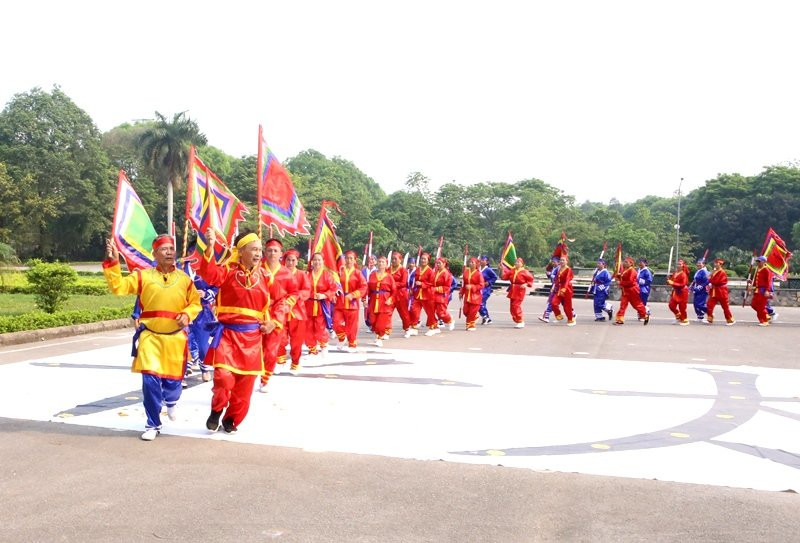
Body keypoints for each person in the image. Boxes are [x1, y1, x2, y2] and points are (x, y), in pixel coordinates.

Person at [103, 235, 201, 441]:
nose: (169, 252)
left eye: (171, 249)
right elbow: (118, 287)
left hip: (175, 339)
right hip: (150, 338)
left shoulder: (184, 279)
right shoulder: (143, 277)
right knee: (150, 380)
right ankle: (152, 423)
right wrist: (113, 261)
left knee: (173, 384)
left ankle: (172, 401)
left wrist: (187, 314)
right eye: (164, 249)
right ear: (154, 254)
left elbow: (195, 303)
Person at [200, 230, 286, 432]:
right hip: (227, 335)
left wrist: (274, 321)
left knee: (245, 386)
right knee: (223, 377)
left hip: (252, 339)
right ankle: (217, 409)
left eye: (259, 249)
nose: (258, 253)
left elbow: (281, 301)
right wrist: (210, 247)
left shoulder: (265, 276)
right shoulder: (227, 271)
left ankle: (232, 419)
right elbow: (209, 273)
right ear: (241, 251)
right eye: (254, 249)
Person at [259, 239, 292, 392]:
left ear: (281, 254)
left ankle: (265, 379)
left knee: (271, 350)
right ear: (265, 252)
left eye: (275, 251)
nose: (272, 253)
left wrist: (284, 307)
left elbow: (294, 293)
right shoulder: (257, 268)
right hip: (257, 314)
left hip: (276, 316)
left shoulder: (286, 273)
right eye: (269, 250)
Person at [276, 249, 311, 373]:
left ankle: (295, 363)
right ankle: (280, 361)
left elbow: (306, 290)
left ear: (297, 262)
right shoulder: (279, 274)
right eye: (288, 260)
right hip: (281, 310)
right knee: (280, 337)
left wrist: (293, 298)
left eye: (293, 260)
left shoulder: (302, 275)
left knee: (297, 340)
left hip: (297, 312)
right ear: (284, 261)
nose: (290, 262)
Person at [304, 252, 339, 358]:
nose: (317, 262)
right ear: (312, 262)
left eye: (319, 260)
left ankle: (324, 346)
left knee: (320, 328)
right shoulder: (307, 275)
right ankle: (312, 350)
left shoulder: (327, 275)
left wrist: (324, 295)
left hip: (321, 306)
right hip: (308, 305)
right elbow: (302, 288)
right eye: (315, 260)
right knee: (308, 329)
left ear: (323, 261)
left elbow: (333, 289)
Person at [334, 250, 368, 351]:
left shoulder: (358, 273)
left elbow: (364, 286)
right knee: (336, 322)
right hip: (340, 302)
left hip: (352, 303)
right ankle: (342, 337)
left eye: (351, 258)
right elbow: (334, 283)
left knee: (352, 326)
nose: (348, 260)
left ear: (354, 260)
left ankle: (352, 344)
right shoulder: (340, 272)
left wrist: (354, 295)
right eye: (347, 258)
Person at [367, 255, 396, 346]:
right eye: (379, 262)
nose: (380, 263)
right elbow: (368, 288)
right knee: (373, 320)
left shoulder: (389, 277)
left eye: (383, 262)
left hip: (384, 300)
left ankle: (380, 337)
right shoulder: (372, 275)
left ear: (386, 264)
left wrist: (390, 299)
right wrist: (364, 298)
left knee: (381, 321)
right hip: (374, 300)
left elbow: (394, 290)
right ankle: (378, 334)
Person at [407, 252, 438, 337]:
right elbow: (413, 281)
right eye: (422, 258)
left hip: (428, 294)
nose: (423, 260)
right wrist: (411, 289)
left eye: (425, 259)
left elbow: (432, 283)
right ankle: (414, 328)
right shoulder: (417, 269)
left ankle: (433, 327)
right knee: (414, 310)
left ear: (428, 261)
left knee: (430, 312)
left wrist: (422, 284)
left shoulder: (430, 271)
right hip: (417, 294)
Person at [614, 257, 649, 325]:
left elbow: (630, 282)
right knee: (623, 305)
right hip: (626, 291)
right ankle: (620, 319)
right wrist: (618, 276)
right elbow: (623, 277)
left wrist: (620, 283)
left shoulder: (632, 271)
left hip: (632, 290)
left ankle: (645, 315)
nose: (624, 263)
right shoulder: (625, 270)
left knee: (636, 305)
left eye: (626, 262)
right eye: (624, 261)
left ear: (631, 263)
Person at [502, 257, 534, 328]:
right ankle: (517, 319)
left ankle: (521, 321)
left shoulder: (525, 271)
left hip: (520, 290)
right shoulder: (512, 270)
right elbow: (504, 277)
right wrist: (501, 270)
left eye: (518, 262)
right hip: (513, 289)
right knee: (512, 307)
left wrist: (526, 284)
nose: (516, 263)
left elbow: (531, 279)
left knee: (516, 305)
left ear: (522, 264)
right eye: (516, 262)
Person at [706, 258, 735, 325]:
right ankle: (710, 318)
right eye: (715, 263)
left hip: (721, 291)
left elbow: (715, 281)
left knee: (725, 306)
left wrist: (710, 278)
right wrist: (710, 277)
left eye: (717, 263)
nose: (715, 264)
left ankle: (730, 320)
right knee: (709, 305)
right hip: (714, 291)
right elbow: (710, 279)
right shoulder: (714, 271)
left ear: (720, 264)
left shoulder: (722, 272)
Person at [460, 257, 485, 331]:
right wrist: (461, 292)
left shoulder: (478, 274)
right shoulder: (466, 272)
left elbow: (481, 285)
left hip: (475, 296)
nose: (470, 263)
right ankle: (475, 316)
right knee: (465, 311)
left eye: (472, 262)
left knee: (472, 311)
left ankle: (471, 325)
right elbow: (464, 284)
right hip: (467, 295)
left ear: (476, 264)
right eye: (470, 262)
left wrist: (472, 286)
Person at [389, 251, 411, 335]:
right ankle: (386, 331)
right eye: (392, 259)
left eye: (395, 259)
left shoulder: (403, 270)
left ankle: (407, 328)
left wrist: (392, 284)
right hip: (391, 294)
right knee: (387, 312)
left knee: (403, 313)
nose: (393, 260)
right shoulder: (388, 269)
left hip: (401, 294)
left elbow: (403, 283)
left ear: (400, 260)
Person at [550, 255, 576, 326]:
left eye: (563, 260)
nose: (561, 261)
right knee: (553, 303)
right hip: (559, 289)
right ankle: (559, 316)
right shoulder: (559, 269)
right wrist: (554, 286)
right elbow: (556, 280)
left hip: (567, 289)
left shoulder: (568, 269)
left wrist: (564, 289)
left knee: (567, 306)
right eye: (561, 260)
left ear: (567, 261)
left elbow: (568, 279)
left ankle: (571, 320)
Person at [432, 257, 455, 331]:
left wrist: (436, 289)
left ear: (444, 264)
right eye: (437, 263)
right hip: (434, 294)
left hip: (442, 295)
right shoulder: (436, 272)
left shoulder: (447, 274)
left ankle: (450, 320)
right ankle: (434, 326)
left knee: (441, 312)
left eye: (439, 263)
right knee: (432, 311)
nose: (438, 265)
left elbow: (447, 287)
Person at [750, 255, 773, 326]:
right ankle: (765, 316)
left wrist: (767, 290)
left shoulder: (766, 270)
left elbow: (769, 281)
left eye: (759, 261)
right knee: (753, 305)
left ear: (763, 262)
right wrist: (750, 283)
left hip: (763, 290)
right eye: (757, 261)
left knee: (761, 307)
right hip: (757, 290)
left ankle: (764, 321)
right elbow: (755, 280)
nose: (758, 263)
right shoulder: (758, 269)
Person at [667, 258, 690, 325]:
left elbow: (683, 284)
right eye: (677, 264)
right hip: (675, 291)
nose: (678, 265)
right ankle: (679, 316)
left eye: (680, 264)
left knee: (682, 307)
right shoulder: (675, 273)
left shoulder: (683, 274)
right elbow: (671, 281)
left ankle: (685, 320)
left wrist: (672, 283)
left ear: (683, 265)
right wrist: (668, 280)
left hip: (682, 292)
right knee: (671, 305)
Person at [538, 257, 560, 323]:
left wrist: (550, 274)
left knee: (553, 302)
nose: (553, 263)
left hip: (558, 288)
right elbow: (551, 277)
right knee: (552, 302)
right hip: (554, 286)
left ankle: (572, 315)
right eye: (552, 262)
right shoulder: (554, 268)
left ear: (558, 262)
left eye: (554, 262)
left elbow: (558, 277)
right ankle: (547, 316)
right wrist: (548, 274)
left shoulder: (559, 268)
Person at [478, 256, 498, 324]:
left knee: (480, 303)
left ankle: (485, 316)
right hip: (478, 288)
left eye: (483, 260)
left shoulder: (488, 270)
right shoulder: (478, 269)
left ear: (487, 262)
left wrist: (489, 282)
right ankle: (487, 318)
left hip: (486, 289)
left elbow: (495, 277)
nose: (481, 261)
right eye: (481, 260)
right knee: (482, 304)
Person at [361, 254, 377, 328]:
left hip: (374, 293)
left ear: (376, 262)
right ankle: (369, 324)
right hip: (365, 292)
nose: (371, 261)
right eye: (370, 259)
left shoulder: (377, 271)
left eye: (373, 259)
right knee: (366, 309)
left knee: (374, 309)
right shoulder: (364, 271)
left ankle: (374, 324)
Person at [691, 258, 710, 322]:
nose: (698, 264)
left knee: (700, 304)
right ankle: (700, 316)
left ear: (704, 264)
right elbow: (695, 280)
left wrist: (700, 287)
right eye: (698, 263)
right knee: (695, 304)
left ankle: (710, 311)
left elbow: (707, 281)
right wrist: (692, 287)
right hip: (696, 289)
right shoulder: (698, 271)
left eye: (700, 263)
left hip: (702, 290)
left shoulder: (704, 271)